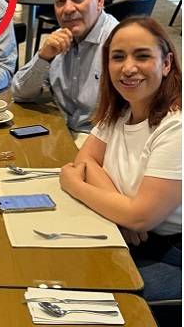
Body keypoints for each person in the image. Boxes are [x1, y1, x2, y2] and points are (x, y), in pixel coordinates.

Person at [60, 17, 182, 301]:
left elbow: (141, 216)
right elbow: (84, 161)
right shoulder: (122, 110)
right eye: (118, 57)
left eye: (142, 56)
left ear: (166, 64)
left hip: (169, 254)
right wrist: (123, 212)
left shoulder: (176, 127)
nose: (128, 68)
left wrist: (74, 185)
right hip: (127, 236)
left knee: (79, 290)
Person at [11, 0, 119, 142]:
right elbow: (20, 93)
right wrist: (43, 57)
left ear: (99, 0)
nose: (68, 9)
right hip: (60, 129)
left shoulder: (118, 45)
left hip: (100, 140)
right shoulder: (60, 39)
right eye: (60, 1)